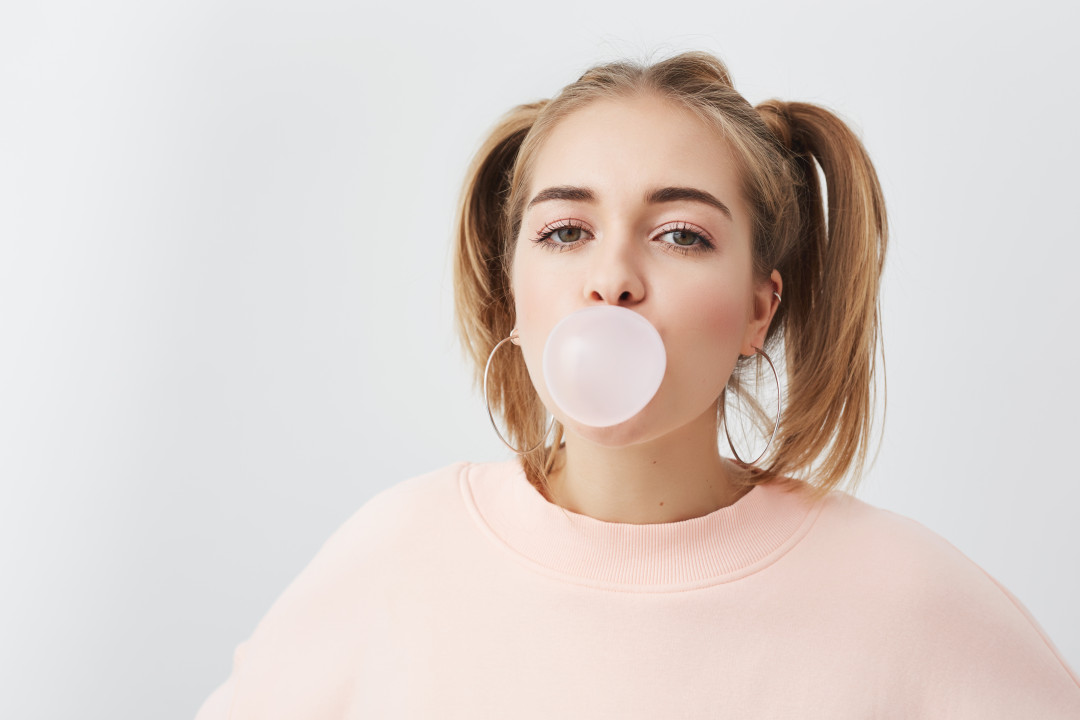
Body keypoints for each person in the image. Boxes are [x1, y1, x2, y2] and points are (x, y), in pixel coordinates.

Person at [194, 50, 1080, 718]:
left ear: (757, 311)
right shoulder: (395, 556)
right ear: (512, 285)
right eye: (565, 230)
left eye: (681, 234)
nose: (611, 277)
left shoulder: (903, 595)